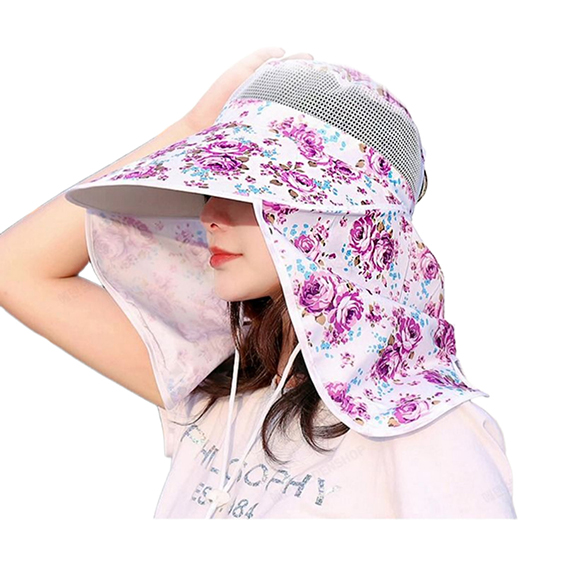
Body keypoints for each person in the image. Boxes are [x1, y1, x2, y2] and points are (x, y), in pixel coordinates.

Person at [0, 47, 517, 519]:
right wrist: (193, 126)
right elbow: (12, 269)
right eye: (211, 187)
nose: (208, 215)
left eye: (247, 189)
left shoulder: (428, 429)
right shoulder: (217, 392)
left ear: (336, 218)